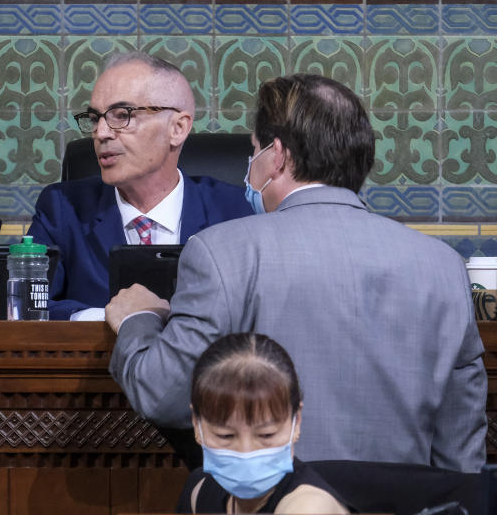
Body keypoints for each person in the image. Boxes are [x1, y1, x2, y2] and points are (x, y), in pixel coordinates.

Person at [107, 73, 487, 471]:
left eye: (253, 152)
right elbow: (460, 448)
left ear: (277, 155)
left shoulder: (220, 251)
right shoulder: (443, 265)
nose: (249, 168)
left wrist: (139, 318)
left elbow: (164, 394)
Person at [27, 52, 252, 321]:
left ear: (177, 128)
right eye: (95, 118)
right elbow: (26, 307)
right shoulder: (63, 209)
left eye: (122, 115)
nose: (101, 133)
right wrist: (111, 319)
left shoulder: (236, 213)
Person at [182, 333, 349, 514]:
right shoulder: (200, 491)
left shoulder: (309, 508)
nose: (246, 452)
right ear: (196, 424)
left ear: (297, 421)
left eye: (266, 435)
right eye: (225, 435)